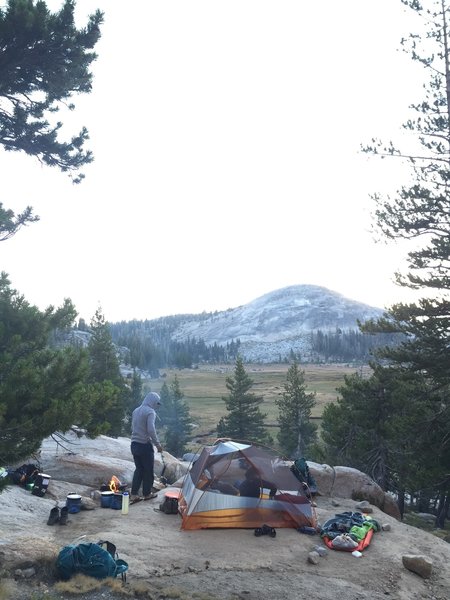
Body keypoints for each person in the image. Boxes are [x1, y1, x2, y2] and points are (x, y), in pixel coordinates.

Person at [130, 391, 163, 504]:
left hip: (134, 444)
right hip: (144, 445)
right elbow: (150, 429)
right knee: (148, 471)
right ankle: (147, 494)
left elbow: (133, 426)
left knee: (139, 469)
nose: (157, 405)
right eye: (157, 403)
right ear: (153, 402)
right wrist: (157, 444)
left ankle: (133, 495)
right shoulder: (150, 412)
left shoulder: (136, 410)